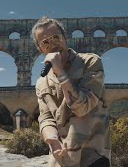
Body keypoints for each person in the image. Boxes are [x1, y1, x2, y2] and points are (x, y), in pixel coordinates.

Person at [32, 16, 111, 167]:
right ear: (41, 50)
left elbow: (83, 107)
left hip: (93, 155)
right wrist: (52, 140)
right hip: (61, 156)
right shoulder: (42, 82)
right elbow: (45, 117)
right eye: (45, 42)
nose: (53, 45)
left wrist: (60, 72)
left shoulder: (90, 62)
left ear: (65, 38)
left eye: (56, 37)